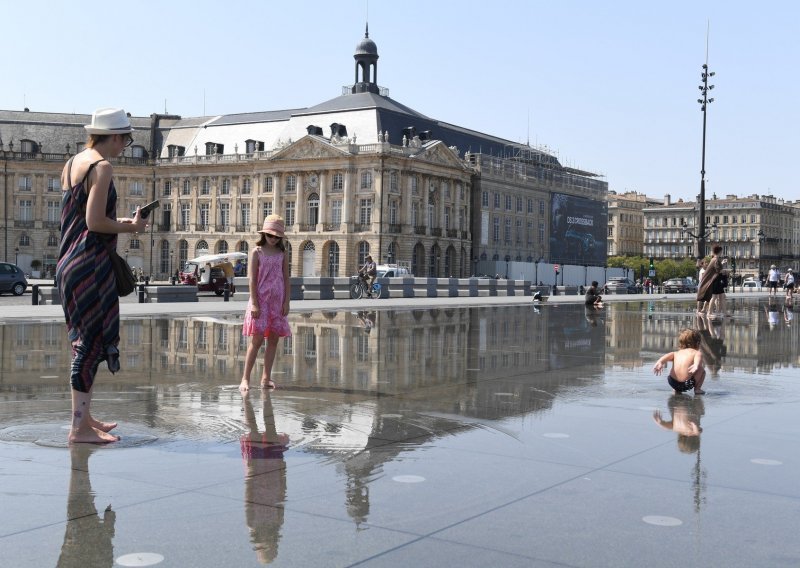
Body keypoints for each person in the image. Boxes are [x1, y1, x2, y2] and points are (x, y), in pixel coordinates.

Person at [56, 108, 148, 444]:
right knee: (90, 344)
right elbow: (95, 223)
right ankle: (79, 429)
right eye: (125, 138)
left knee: (82, 342)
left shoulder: (74, 163)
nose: (126, 144)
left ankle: (85, 416)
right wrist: (133, 226)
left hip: (68, 261)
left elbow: (84, 218)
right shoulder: (103, 167)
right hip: (89, 263)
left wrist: (119, 221)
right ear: (112, 136)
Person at [240, 214, 291, 392]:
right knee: (257, 340)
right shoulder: (257, 252)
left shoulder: (282, 253)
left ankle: (266, 378)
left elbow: (286, 278)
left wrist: (287, 301)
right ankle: (245, 378)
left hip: (277, 301)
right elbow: (252, 280)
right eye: (270, 235)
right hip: (260, 300)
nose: (273, 239)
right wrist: (254, 303)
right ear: (264, 234)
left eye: (277, 237)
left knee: (274, 339)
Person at [240, 392, 288, 563]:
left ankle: (246, 399)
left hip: (257, 473)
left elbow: (247, 500)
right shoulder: (278, 523)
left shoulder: (252, 524)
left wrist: (251, 475)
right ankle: (265, 398)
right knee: (271, 428)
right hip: (274, 471)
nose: (269, 544)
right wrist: (283, 471)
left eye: (266, 548)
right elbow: (282, 497)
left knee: (253, 431)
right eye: (272, 548)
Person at [652, 328, 706, 395]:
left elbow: (666, 356)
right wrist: (696, 365)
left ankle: (675, 390)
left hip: (672, 382)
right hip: (686, 384)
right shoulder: (696, 353)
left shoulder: (676, 353)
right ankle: (697, 389)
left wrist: (660, 362)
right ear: (698, 343)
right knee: (702, 370)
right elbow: (698, 358)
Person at [696, 245, 722, 314]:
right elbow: (718, 270)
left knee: (708, 297)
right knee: (701, 297)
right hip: (703, 283)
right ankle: (701, 310)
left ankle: (706, 310)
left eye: (707, 263)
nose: (707, 264)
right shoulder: (715, 260)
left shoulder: (714, 260)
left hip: (707, 282)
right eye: (706, 263)